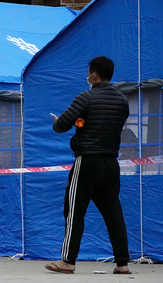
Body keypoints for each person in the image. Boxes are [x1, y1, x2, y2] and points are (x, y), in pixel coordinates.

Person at [47, 56, 131, 274]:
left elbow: (61, 126)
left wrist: (59, 121)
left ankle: (68, 261)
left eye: (89, 74)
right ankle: (122, 264)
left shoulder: (86, 97)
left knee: (74, 211)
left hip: (87, 161)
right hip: (111, 162)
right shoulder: (123, 101)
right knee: (113, 214)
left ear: (93, 75)